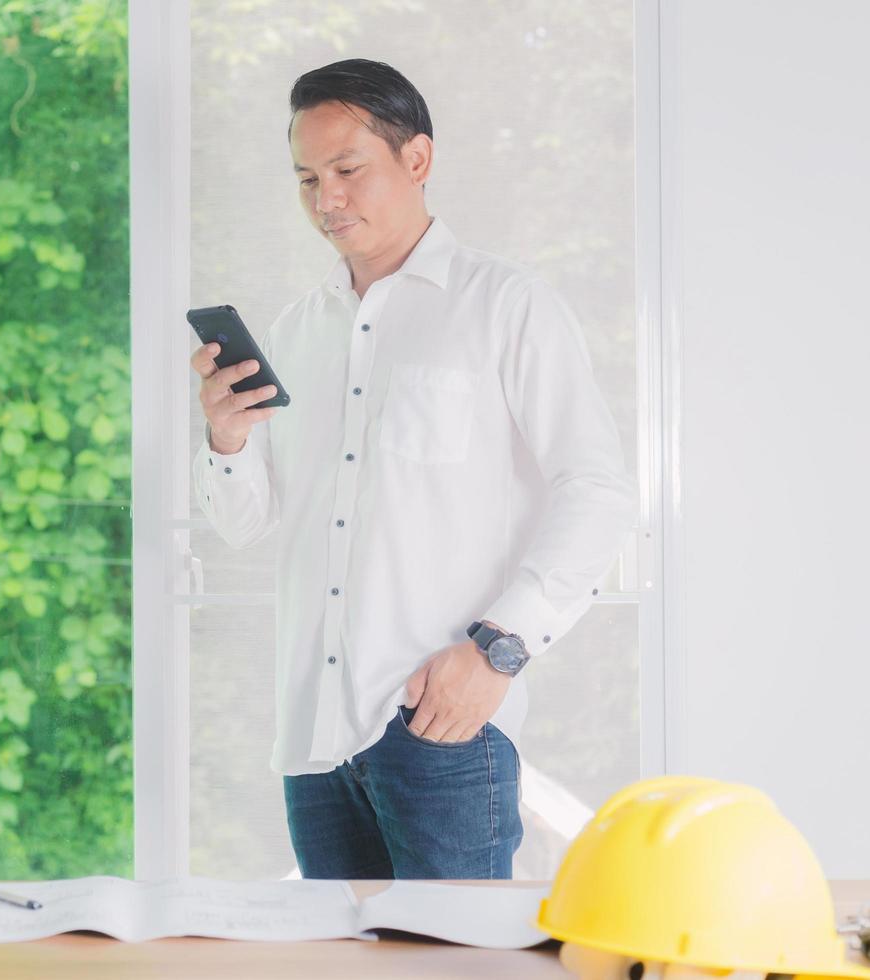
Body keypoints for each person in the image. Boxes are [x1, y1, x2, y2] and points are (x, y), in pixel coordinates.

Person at [189, 58, 634, 880]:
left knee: (455, 972)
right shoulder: (297, 329)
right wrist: (228, 440)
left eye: (349, 170)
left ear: (417, 160)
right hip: (315, 743)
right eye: (308, 178)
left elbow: (598, 491)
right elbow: (248, 523)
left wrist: (495, 654)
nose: (327, 200)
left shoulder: (506, 304)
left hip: (441, 729)